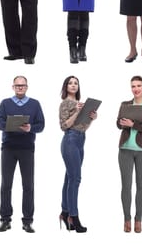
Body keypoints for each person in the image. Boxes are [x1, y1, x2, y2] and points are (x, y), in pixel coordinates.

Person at [0, 75, 45, 233]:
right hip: (8, 148)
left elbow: (41, 124)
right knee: (6, 185)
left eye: (22, 85)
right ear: (13, 87)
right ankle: (5, 220)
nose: (20, 88)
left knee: (28, 186)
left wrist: (31, 128)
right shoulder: (5, 103)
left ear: (27, 87)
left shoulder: (35, 104)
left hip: (27, 148)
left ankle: (28, 221)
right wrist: (10, 125)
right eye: (17, 86)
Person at [116, 75, 142, 233]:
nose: (136, 89)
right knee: (126, 186)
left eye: (139, 86)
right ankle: (126, 219)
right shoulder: (125, 104)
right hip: (125, 149)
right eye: (133, 86)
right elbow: (117, 124)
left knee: (141, 185)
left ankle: (138, 219)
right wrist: (122, 122)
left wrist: (134, 124)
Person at [58, 76, 97, 233]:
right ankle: (74, 217)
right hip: (70, 139)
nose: (73, 85)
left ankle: (65, 212)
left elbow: (83, 126)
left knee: (69, 177)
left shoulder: (80, 103)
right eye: (70, 83)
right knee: (75, 179)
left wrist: (92, 118)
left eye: (76, 83)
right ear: (66, 86)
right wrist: (78, 112)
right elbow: (64, 125)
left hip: (81, 139)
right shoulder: (65, 103)